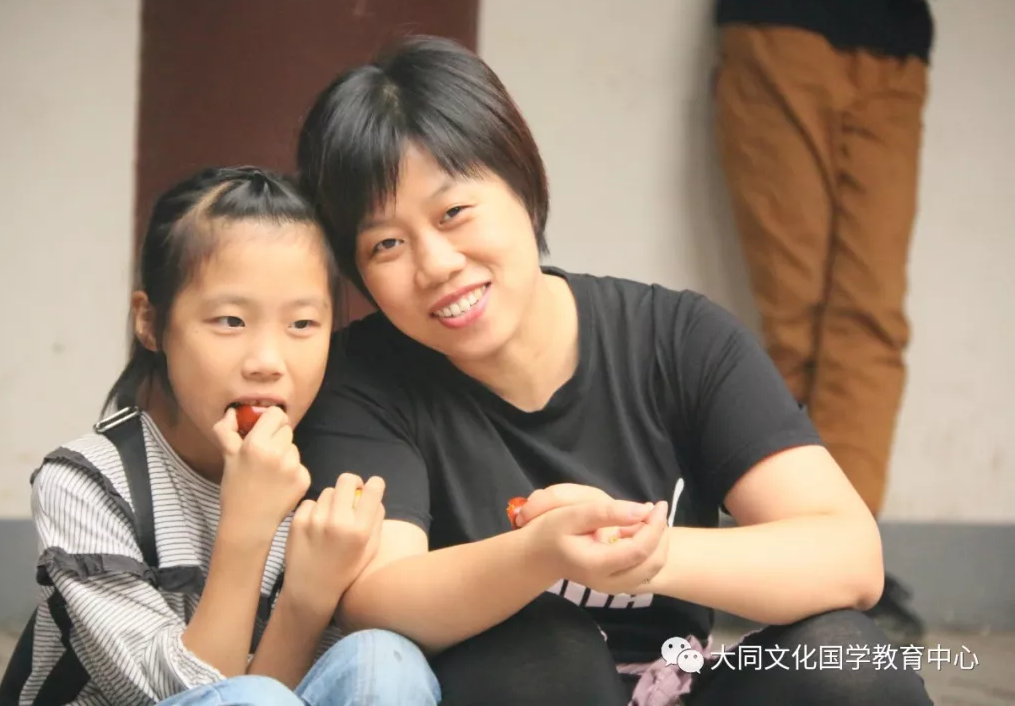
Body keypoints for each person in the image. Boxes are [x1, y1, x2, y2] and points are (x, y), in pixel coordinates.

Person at [293, 36, 934, 705]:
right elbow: (377, 596)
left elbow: (848, 554)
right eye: (387, 244)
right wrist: (539, 554)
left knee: (849, 665)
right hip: (522, 689)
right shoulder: (362, 380)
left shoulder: (678, 339)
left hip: (679, 684)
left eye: (453, 213)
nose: (435, 265)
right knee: (544, 653)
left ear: (521, 182)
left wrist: (645, 553)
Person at [0, 167, 441, 705]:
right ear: (150, 322)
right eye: (231, 321)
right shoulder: (89, 483)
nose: (267, 362)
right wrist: (247, 526)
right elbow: (197, 694)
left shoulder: (332, 481)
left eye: (302, 324)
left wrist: (305, 601)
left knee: (384, 659)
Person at [712, 0, 938, 645]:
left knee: (873, 316)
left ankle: (844, 555)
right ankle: (784, 551)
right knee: (797, 318)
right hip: (785, 16)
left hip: (897, 39)